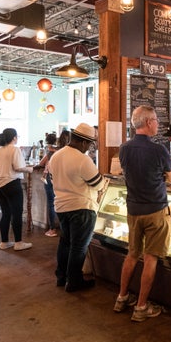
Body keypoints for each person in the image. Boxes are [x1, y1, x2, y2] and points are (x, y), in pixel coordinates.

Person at [115, 106, 171, 321]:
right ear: (148, 122)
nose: (158, 124)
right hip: (155, 210)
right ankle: (141, 307)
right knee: (150, 258)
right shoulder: (159, 150)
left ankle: (121, 298)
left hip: (133, 210)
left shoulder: (124, 148)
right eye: (156, 120)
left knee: (132, 255)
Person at [49, 123, 108, 292]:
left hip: (61, 207)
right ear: (83, 142)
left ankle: (61, 276)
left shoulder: (57, 156)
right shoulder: (82, 159)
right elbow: (98, 184)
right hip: (81, 207)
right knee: (79, 246)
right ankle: (74, 281)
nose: (89, 148)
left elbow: (53, 179)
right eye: (89, 145)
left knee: (65, 243)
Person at [0, 128, 33, 251]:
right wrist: (29, 169)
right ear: (14, 137)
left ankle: (4, 242)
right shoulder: (14, 149)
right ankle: (18, 242)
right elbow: (18, 167)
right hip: (11, 183)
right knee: (16, 214)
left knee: (6, 213)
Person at [38, 132, 60, 237]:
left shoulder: (50, 151)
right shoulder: (61, 151)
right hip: (60, 179)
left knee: (51, 203)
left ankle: (52, 229)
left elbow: (41, 163)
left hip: (49, 178)